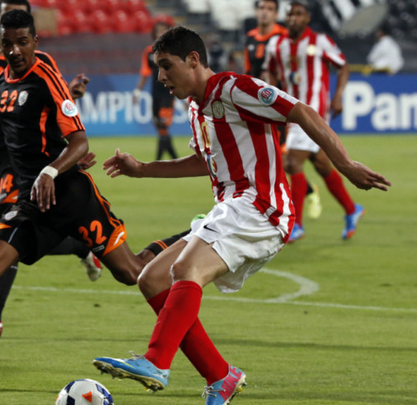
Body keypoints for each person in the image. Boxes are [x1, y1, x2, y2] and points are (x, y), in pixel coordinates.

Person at [92, 26, 390, 405]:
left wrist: (344, 164)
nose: (161, 76)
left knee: (186, 270)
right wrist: (144, 168)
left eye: (166, 66)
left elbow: (301, 110)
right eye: (157, 68)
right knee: (152, 278)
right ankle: (220, 376)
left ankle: (156, 361)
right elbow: (206, 161)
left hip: (261, 206)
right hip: (232, 207)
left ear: (194, 60)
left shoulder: (233, 87)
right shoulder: (195, 106)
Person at [0, 10, 188, 387]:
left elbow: (80, 141)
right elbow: (31, 130)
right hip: (32, 199)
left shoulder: (43, 73)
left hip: (71, 194)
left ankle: (190, 238)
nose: (14, 50)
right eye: (7, 43)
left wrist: (52, 168)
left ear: (35, 42)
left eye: (22, 42)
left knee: (132, 272)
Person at [0, 0, 100, 338]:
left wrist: (66, 146)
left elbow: (57, 104)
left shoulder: (40, 61)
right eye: (5, 15)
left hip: (28, 165)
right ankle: (81, 245)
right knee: (11, 234)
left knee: (6, 232)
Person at [263, 0, 359, 243]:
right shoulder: (278, 44)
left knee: (293, 162)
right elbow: (270, 71)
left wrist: (338, 96)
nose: (293, 18)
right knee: (321, 164)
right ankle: (351, 209)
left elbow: (343, 66)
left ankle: (296, 225)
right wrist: (269, 84)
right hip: (290, 110)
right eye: (290, 13)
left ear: (307, 19)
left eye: (299, 14)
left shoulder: (320, 41)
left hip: (313, 111)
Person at [245, 0, 322, 220]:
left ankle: (287, 206)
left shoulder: (283, 37)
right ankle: (291, 199)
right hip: (256, 106)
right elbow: (249, 72)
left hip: (280, 107)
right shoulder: (250, 37)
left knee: (281, 159)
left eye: (270, 9)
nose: (265, 13)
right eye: (261, 8)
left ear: (277, 13)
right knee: (273, 159)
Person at [133, 18, 178, 160]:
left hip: (169, 93)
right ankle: (172, 158)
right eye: (159, 31)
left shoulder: (174, 52)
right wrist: (137, 92)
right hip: (155, 93)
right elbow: (145, 73)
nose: (161, 33)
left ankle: (159, 159)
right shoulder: (149, 52)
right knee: (159, 126)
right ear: (155, 33)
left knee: (163, 125)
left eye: (164, 30)